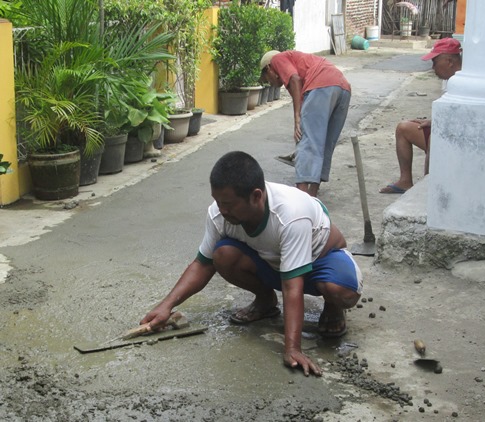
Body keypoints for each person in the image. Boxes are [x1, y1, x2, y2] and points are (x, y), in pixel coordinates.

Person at [141, 151, 363, 377]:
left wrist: (292, 349)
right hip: (276, 264)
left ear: (256, 196)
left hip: (322, 260)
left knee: (341, 291)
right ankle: (265, 301)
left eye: (228, 204)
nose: (222, 210)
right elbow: (202, 265)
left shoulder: (291, 214)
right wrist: (165, 306)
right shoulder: (219, 214)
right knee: (223, 255)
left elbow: (292, 286)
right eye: (218, 201)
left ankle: (333, 307)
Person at [260, 50, 351, 197]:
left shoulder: (277, 59)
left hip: (321, 85)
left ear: (269, 68)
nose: (270, 83)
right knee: (324, 144)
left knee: (308, 142)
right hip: (343, 88)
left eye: (266, 78)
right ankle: (312, 194)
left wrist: (297, 118)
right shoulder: (299, 61)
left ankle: (302, 195)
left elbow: (295, 79)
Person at [379, 38, 462, 194]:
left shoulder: (465, 82)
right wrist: (432, 121)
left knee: (434, 137)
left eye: (435, 62)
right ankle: (405, 181)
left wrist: (438, 125)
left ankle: (428, 185)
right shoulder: (448, 81)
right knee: (404, 128)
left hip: (459, 139)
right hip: (445, 129)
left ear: (449, 61)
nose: (433, 68)